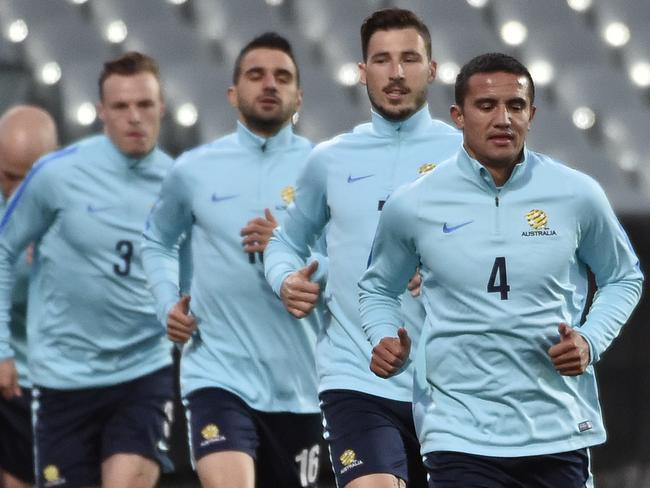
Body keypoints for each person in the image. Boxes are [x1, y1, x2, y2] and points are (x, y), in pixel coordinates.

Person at [358, 52, 643, 488]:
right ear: (458, 115)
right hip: (459, 433)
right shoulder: (414, 203)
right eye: (487, 106)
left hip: (557, 428)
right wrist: (382, 336)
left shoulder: (577, 194)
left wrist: (590, 340)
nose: (503, 118)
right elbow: (377, 288)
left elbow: (624, 277)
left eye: (515, 105)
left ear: (532, 114)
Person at [264, 8, 462, 488]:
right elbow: (286, 243)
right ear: (361, 71)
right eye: (382, 60)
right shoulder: (330, 160)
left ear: (432, 70)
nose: (396, 73)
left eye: (409, 59)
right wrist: (285, 278)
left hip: (455, 385)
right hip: (356, 376)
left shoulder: (466, 155)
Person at [142, 32, 325, 488]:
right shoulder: (193, 170)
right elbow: (157, 241)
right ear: (232, 93)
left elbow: (352, 256)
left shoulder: (326, 170)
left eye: (282, 77)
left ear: (298, 95)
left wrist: (289, 248)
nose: (269, 84)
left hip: (301, 387)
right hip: (217, 374)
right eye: (256, 75)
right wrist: (167, 301)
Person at [0, 52, 176, 488]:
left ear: (161, 107)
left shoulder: (181, 183)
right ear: (101, 112)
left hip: (141, 371)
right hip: (56, 378)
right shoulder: (55, 180)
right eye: (120, 106)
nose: (134, 116)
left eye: (144, 104)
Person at [0, 105, 58, 488]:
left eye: (31, 178)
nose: (19, 192)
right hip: (11, 381)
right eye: (9, 178)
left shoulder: (84, 211)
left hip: (69, 379)